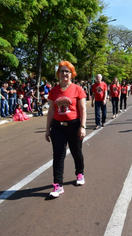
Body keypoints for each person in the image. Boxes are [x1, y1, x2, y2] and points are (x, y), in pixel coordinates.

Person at [45, 60, 87, 198]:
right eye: (62, 71)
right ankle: (58, 185)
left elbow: (82, 109)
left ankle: (79, 173)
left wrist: (82, 126)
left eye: (67, 71)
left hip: (74, 126)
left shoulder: (77, 89)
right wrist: (47, 129)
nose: (64, 74)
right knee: (58, 155)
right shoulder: (53, 91)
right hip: (58, 127)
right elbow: (51, 111)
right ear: (58, 74)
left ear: (71, 74)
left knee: (76, 151)